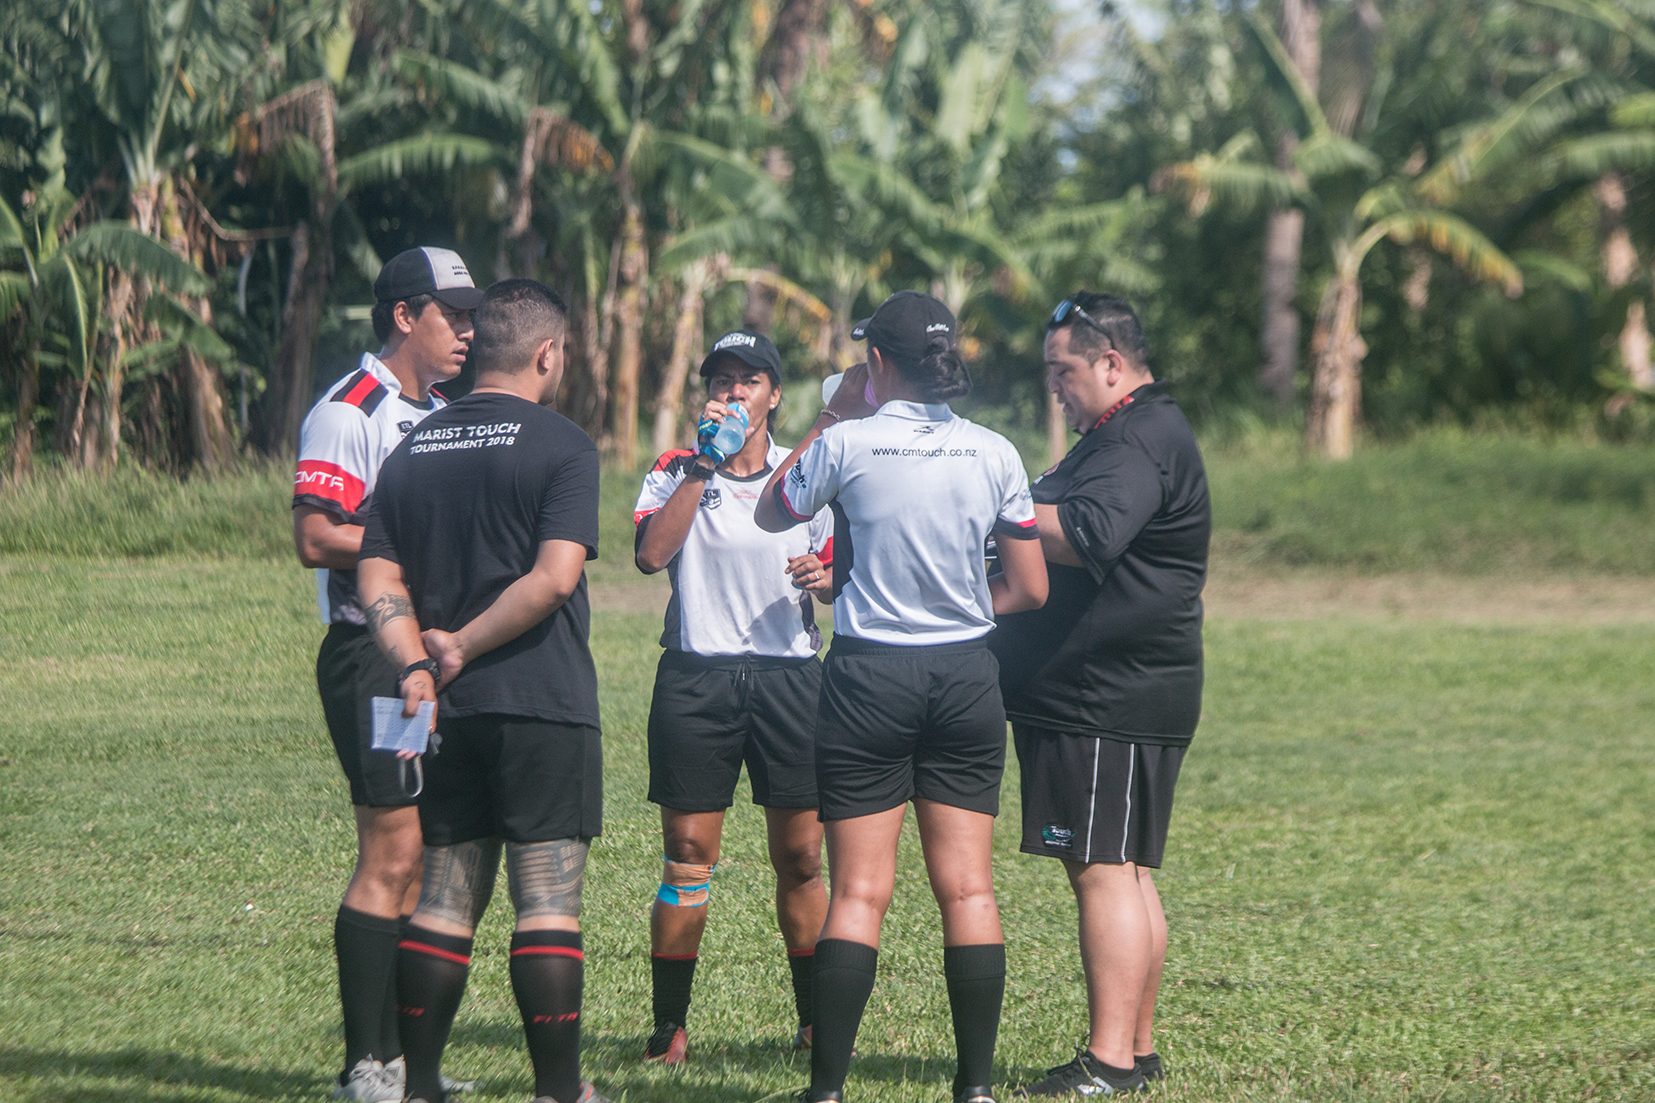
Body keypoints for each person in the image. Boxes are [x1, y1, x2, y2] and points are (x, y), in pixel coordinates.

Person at [754, 290, 1050, 1103]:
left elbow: (770, 508)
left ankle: (825, 1092)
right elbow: (1027, 586)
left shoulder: (846, 442)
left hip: (867, 677)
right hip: (963, 678)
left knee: (857, 892)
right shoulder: (994, 452)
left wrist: (831, 416)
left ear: (876, 362)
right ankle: (976, 1089)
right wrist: (952, 611)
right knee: (969, 888)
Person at [356, 278, 608, 1103]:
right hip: (540, 698)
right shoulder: (563, 445)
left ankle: (419, 1083)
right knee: (545, 897)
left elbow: (376, 573)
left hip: (439, 709)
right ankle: (560, 1091)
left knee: (441, 896)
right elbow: (554, 577)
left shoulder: (411, 446)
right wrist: (461, 645)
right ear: (546, 353)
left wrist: (417, 662)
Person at [990, 293, 1210, 1097]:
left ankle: (1108, 1061)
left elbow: (1087, 533)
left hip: (1104, 693)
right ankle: (1135, 1050)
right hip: (1124, 688)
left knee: (1103, 870)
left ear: (1110, 364)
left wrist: (999, 504)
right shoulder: (1131, 432)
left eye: (1064, 371)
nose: (1056, 387)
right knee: (1124, 869)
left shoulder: (1134, 438)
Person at [292, 247, 481, 1102]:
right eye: (455, 316)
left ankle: (408, 1065)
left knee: (429, 848)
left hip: (432, 655)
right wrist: (404, 549)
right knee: (392, 846)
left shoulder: (444, 410)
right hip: (373, 657)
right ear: (406, 316)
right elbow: (314, 533)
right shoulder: (349, 410)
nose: (469, 333)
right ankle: (363, 1065)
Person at [632, 330, 835, 1064]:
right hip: (697, 678)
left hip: (789, 680)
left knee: (802, 856)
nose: (733, 393)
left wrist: (825, 577)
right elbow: (652, 553)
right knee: (687, 855)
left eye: (749, 381)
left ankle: (814, 1021)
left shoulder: (807, 475)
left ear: (774, 395)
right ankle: (668, 1027)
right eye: (721, 381)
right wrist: (703, 467)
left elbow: (843, 575)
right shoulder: (675, 469)